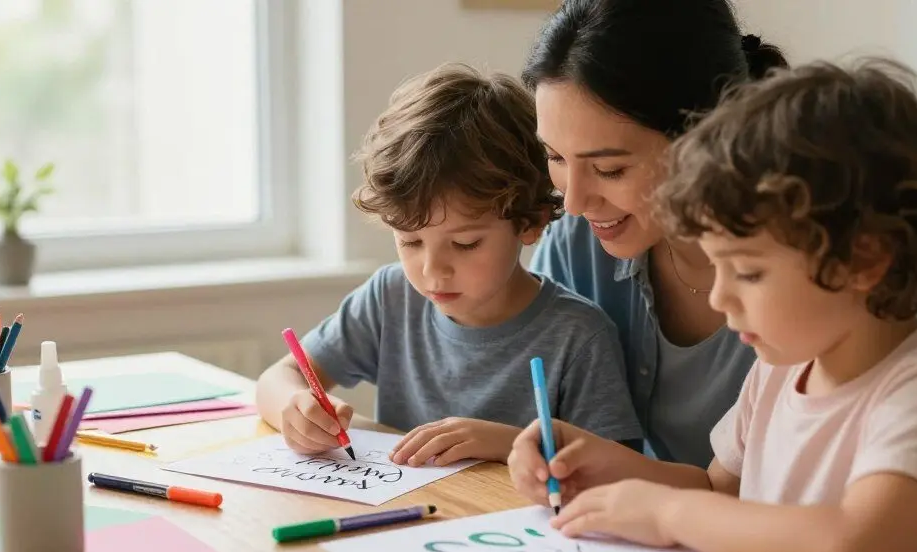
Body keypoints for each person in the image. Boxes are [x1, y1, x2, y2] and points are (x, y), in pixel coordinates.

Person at [508, 58, 917, 552]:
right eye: (718, 269)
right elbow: (717, 489)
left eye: (750, 273)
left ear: (864, 258)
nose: (720, 298)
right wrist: (609, 467)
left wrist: (666, 513)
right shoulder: (783, 364)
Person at [523, 0, 917, 468]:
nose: (573, 202)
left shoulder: (842, 264)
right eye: (556, 158)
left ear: (708, 135)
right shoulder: (576, 241)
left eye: (610, 168)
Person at [255, 63, 642, 467]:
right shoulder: (390, 298)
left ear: (531, 222)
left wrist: (508, 442)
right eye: (410, 241)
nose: (432, 271)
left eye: (465, 243)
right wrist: (296, 406)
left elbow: (619, 466)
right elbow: (278, 378)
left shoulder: (578, 336)